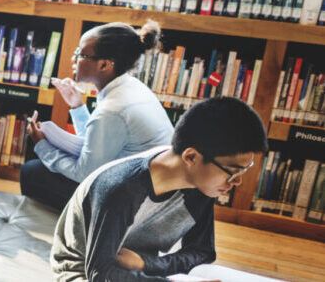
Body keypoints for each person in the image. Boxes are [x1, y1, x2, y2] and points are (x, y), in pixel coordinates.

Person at [49, 97, 267, 281]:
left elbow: (202, 252)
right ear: (191, 157)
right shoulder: (122, 188)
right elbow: (101, 274)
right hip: (82, 272)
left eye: (244, 170)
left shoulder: (202, 184)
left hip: (135, 266)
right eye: (233, 170)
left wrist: (147, 263)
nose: (237, 182)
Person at [22, 20, 173, 210]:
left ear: (104, 65)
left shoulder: (112, 109)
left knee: (32, 171)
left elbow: (85, 174)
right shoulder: (131, 86)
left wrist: (42, 145)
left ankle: (70, 232)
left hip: (129, 204)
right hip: (145, 189)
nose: (73, 58)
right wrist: (77, 106)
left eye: (81, 54)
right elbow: (97, 143)